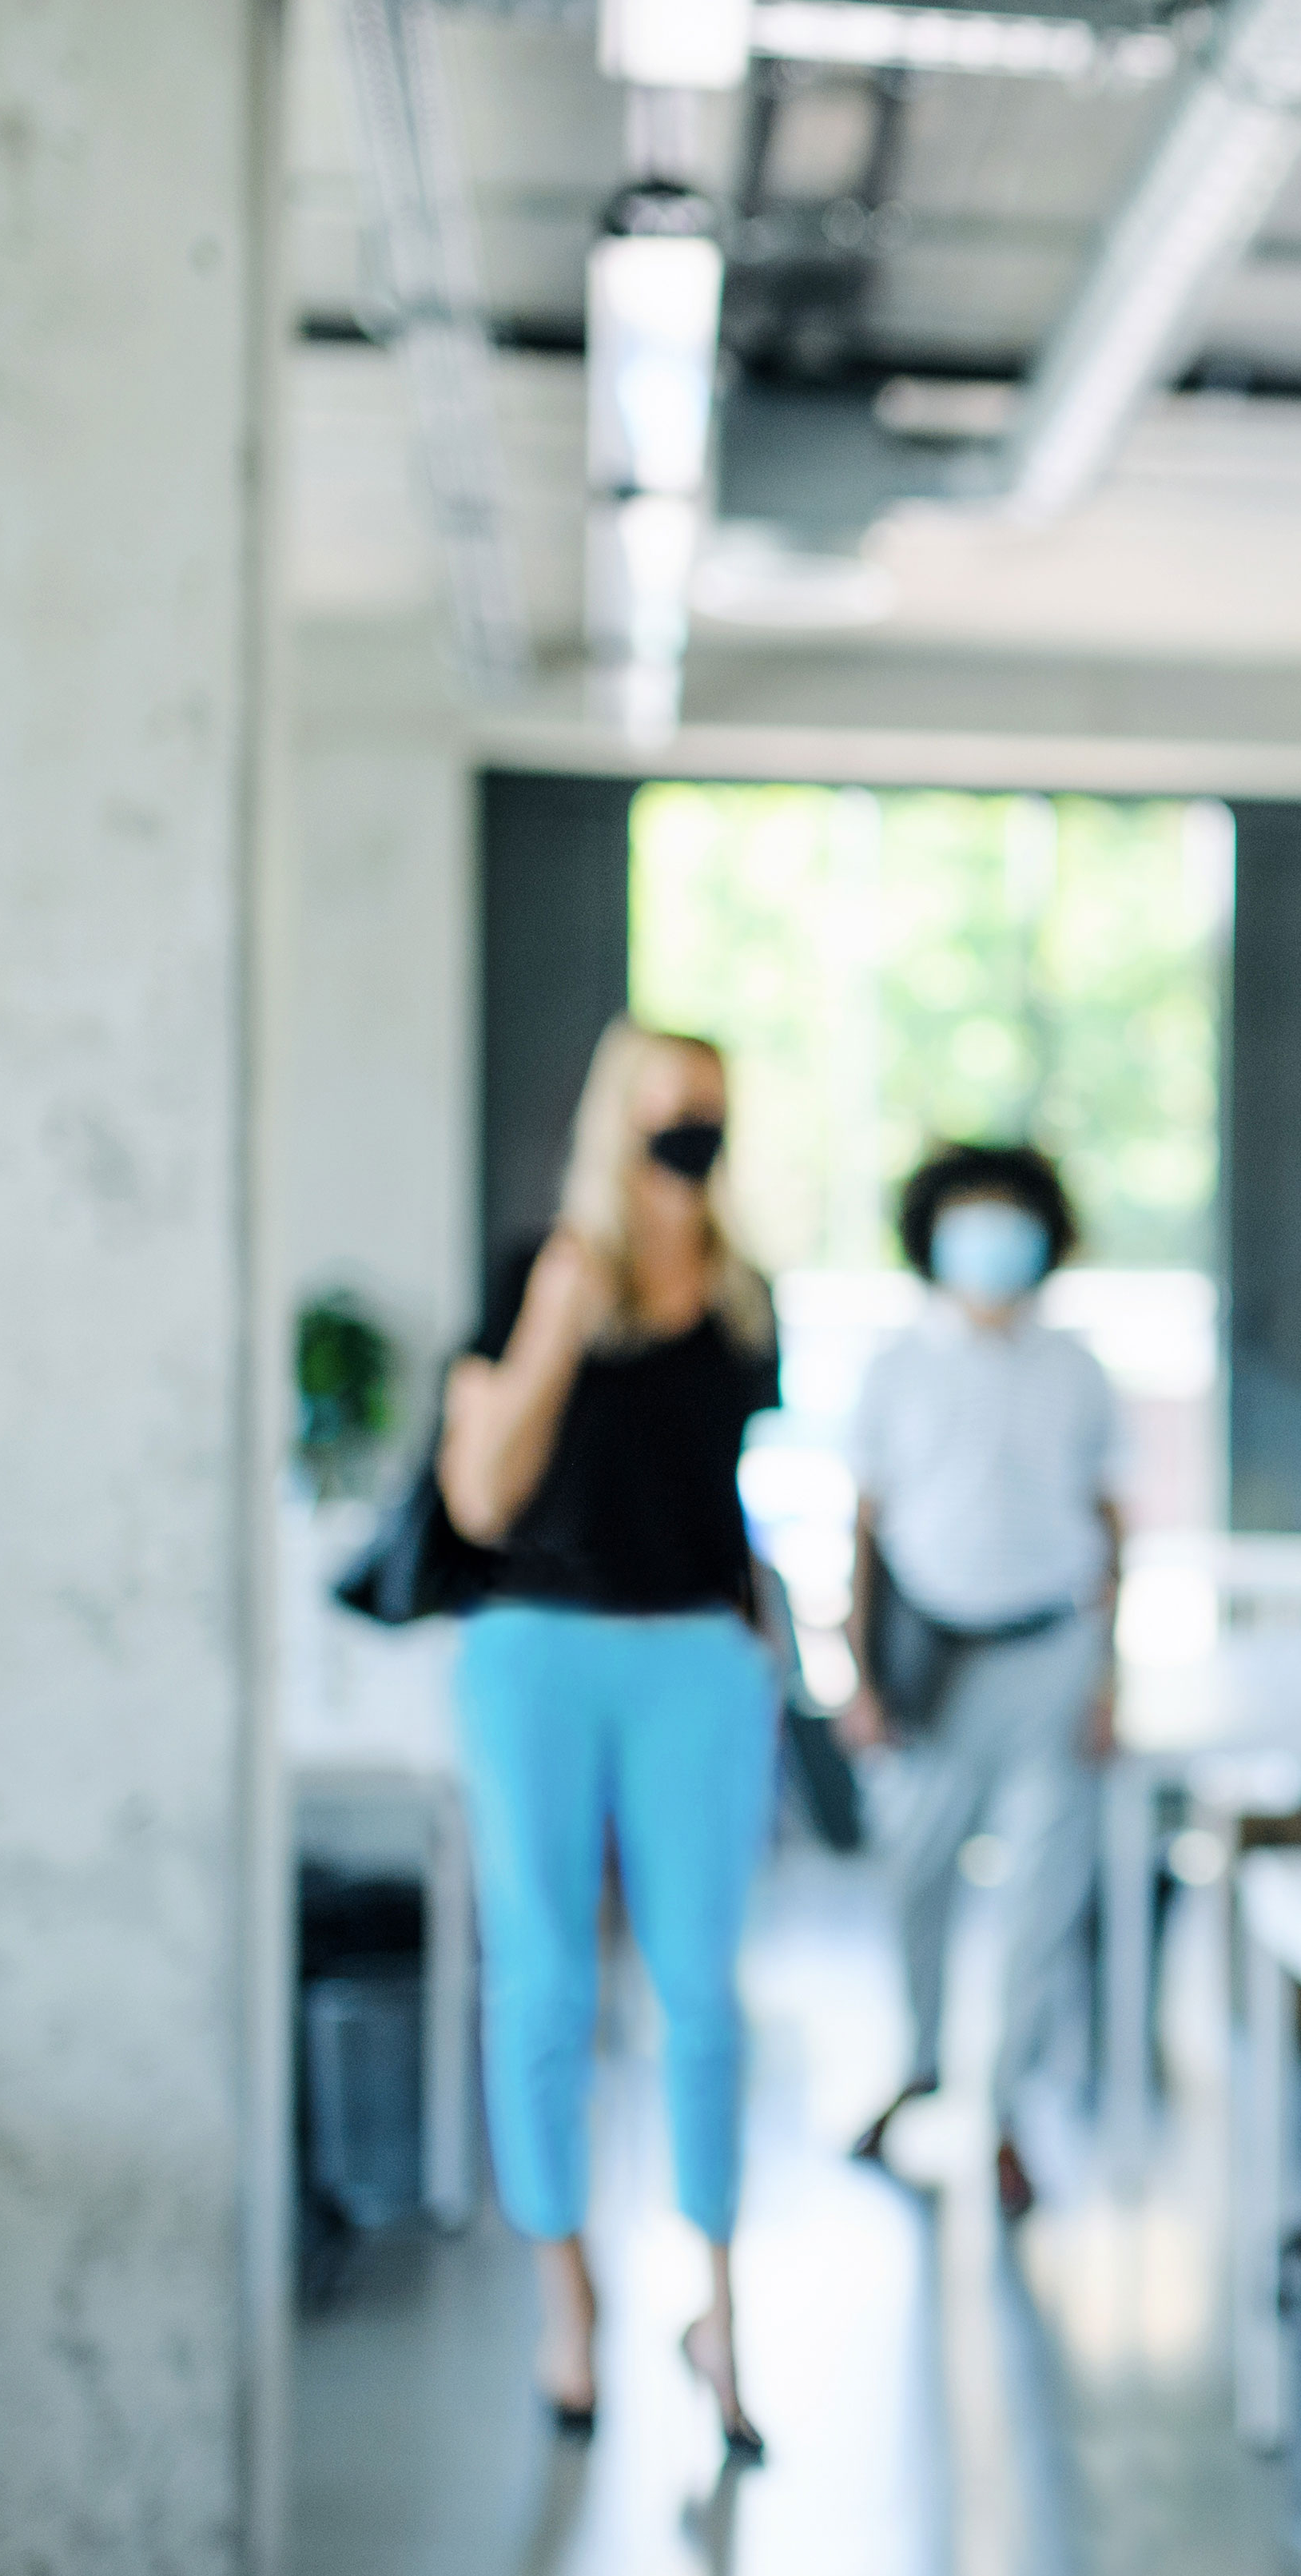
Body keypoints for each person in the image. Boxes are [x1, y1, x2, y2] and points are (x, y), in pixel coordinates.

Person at [440, 1016, 784, 2460]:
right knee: (543, 1986)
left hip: (698, 1662)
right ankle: (566, 2299)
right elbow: (477, 1495)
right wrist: (560, 1329)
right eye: (662, 1119)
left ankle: (716, 2308)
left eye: (706, 1116)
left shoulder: (748, 1296)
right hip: (535, 1656)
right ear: (610, 1125)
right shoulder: (540, 1269)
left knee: (702, 1995)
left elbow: (722, 1493)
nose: (686, 1145)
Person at [838, 1141, 1128, 2225]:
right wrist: (858, 1675)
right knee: (915, 1876)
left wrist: (1109, 1675)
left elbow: (1111, 1527)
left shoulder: (1077, 1369)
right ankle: (917, 2066)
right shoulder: (896, 1368)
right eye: (971, 1218)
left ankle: (998, 2112)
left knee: (1040, 1905)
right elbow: (862, 1531)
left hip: (1048, 1656)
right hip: (931, 1665)